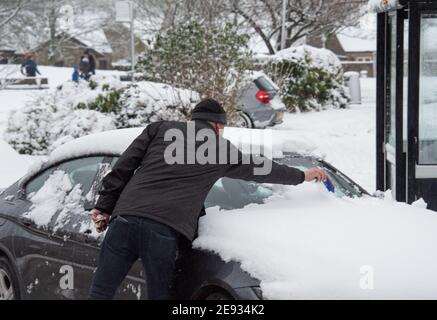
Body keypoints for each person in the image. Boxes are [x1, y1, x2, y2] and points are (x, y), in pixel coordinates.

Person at [88, 99, 332, 300]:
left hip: (124, 221)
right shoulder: (221, 149)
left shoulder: (159, 129)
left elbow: (123, 167)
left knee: (100, 292)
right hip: (164, 230)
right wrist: (302, 175)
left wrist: (104, 207)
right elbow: (261, 168)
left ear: (194, 120)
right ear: (217, 127)